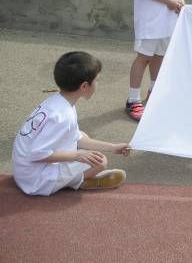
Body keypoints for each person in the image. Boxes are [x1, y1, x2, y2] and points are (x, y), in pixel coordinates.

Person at [12, 52, 129, 195]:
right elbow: (37, 154)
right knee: (100, 162)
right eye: (97, 80)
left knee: (83, 137)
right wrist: (76, 155)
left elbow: (77, 138)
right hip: (34, 180)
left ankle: (73, 178)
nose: (98, 84)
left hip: (24, 171)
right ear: (84, 86)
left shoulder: (58, 101)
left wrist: (112, 147)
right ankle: (80, 181)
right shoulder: (63, 116)